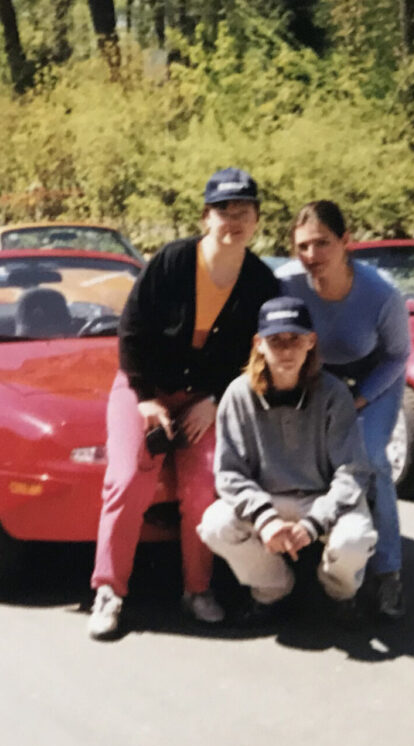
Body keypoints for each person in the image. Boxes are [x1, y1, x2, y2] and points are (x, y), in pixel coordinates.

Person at [87, 167, 281, 640]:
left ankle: (197, 590)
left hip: (207, 400)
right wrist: (146, 399)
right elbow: (131, 330)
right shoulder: (173, 261)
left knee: (205, 485)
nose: (234, 221)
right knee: (129, 478)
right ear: (205, 217)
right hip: (144, 389)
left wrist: (214, 400)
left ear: (257, 220)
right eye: (224, 211)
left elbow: (259, 357)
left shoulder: (261, 282)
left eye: (244, 212)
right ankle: (109, 590)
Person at [199, 296, 378, 622]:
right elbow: (229, 473)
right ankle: (273, 588)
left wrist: (313, 523)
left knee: (354, 539)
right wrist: (265, 518)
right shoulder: (238, 395)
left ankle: (339, 592)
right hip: (268, 498)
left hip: (322, 498)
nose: (286, 350)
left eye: (295, 339)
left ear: (311, 341)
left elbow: (352, 471)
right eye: (275, 340)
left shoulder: (334, 393)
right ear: (258, 343)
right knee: (215, 525)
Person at [280, 200, 411, 620]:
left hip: (374, 379)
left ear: (345, 241)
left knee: (370, 457)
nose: (312, 255)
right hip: (319, 379)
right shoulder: (286, 283)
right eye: (303, 246)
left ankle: (388, 571)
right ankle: (306, 553)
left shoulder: (380, 293)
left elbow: (397, 356)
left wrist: (361, 398)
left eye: (322, 243)